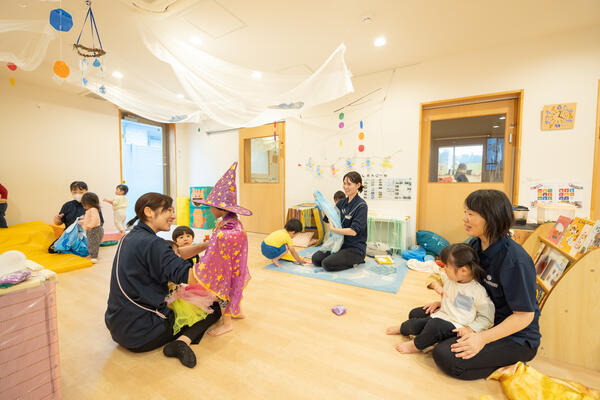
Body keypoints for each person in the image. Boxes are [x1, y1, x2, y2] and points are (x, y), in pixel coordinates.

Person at [431, 189, 541, 380]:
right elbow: (469, 287)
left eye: (471, 214)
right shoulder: (474, 246)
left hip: (515, 337)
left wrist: (481, 339)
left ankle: (508, 365)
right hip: (480, 318)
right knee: (420, 316)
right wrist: (448, 303)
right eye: (466, 212)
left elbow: (524, 316)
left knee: (446, 355)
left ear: (491, 218)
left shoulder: (515, 261)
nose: (464, 218)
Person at [105, 192, 221, 368]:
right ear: (149, 211)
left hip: (119, 326)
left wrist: (207, 245)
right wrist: (222, 257)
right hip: (141, 333)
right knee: (215, 307)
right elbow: (192, 277)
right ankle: (182, 341)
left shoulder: (131, 237)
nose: (173, 215)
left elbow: (176, 254)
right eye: (168, 210)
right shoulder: (153, 244)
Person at [387, 243, 494, 354]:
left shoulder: (478, 291)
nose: (444, 268)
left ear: (463, 270)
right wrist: (437, 287)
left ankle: (415, 345)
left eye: (446, 266)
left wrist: (470, 329)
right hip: (442, 315)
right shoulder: (451, 278)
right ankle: (403, 329)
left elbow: (487, 318)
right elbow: (432, 278)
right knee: (415, 315)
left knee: (434, 326)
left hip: (458, 326)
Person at [190, 162, 251, 336]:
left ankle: (227, 323)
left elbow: (225, 241)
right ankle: (236, 310)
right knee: (234, 287)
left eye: (210, 206)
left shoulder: (230, 228)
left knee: (224, 292)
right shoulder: (231, 221)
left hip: (226, 267)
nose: (209, 209)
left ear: (220, 208)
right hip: (233, 264)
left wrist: (204, 264)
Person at [311, 171, 368, 272]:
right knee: (316, 259)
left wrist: (334, 230)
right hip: (340, 244)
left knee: (326, 264)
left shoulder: (361, 206)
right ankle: (339, 257)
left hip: (354, 249)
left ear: (358, 185)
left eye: (349, 184)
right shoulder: (342, 203)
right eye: (344, 183)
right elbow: (328, 219)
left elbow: (353, 231)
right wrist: (322, 205)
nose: (345, 187)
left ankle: (356, 261)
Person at [50, 181, 104, 253]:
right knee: (52, 249)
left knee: (84, 251)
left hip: (86, 235)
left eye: (81, 192)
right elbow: (58, 223)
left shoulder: (93, 206)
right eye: (75, 192)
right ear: (71, 193)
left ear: (86, 192)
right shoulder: (67, 205)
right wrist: (57, 220)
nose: (78, 194)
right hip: (69, 236)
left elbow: (99, 223)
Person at [79, 192, 104, 263]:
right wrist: (82, 221)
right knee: (90, 243)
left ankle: (94, 257)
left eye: (84, 204)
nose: (83, 206)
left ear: (88, 203)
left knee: (93, 243)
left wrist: (90, 226)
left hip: (94, 229)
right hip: (92, 229)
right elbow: (88, 219)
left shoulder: (93, 209)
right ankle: (91, 255)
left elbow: (95, 219)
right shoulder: (90, 210)